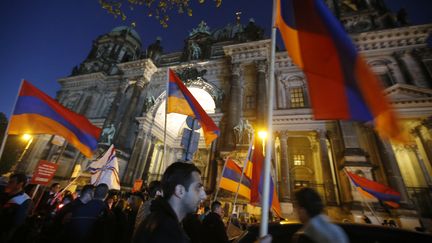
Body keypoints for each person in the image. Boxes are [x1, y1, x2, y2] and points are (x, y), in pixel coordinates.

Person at [133, 161, 207, 243]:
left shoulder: (157, 220)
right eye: (198, 188)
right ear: (180, 191)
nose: (204, 196)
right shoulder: (168, 234)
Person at [0, 173, 33, 242]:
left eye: (11, 182)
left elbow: (16, 222)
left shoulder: (25, 200)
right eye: (9, 181)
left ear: (20, 184)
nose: (8, 184)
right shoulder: (4, 194)